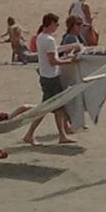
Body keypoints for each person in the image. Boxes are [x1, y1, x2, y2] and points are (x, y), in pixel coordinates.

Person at [24, 13, 77, 145]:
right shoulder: (48, 39)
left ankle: (62, 135)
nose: (57, 27)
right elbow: (53, 61)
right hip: (51, 78)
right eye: (56, 24)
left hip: (46, 76)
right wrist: (71, 61)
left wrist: (70, 47)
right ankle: (29, 134)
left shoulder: (41, 37)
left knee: (58, 107)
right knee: (45, 109)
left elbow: (53, 51)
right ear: (51, 24)